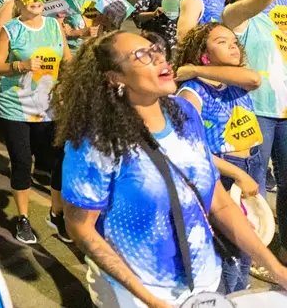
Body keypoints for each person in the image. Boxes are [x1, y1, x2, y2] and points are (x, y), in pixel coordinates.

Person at [59, 32, 287, 307]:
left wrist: (276, 269)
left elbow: (220, 203)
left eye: (156, 49)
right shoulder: (96, 142)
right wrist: (149, 300)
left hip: (206, 283)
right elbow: (81, 229)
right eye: (142, 55)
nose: (159, 58)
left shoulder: (185, 114)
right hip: (135, 295)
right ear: (115, 78)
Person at [173, 23, 263, 292]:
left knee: (249, 240)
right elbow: (189, 148)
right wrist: (238, 174)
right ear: (204, 54)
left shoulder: (235, 80)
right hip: (225, 172)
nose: (233, 46)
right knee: (229, 249)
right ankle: (226, 296)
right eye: (222, 42)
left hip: (251, 163)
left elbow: (255, 79)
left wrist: (196, 69)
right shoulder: (192, 91)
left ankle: (240, 293)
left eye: (234, 42)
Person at [0, 0, 73, 244]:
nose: (35, 0)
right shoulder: (11, 30)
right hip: (15, 106)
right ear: (19, 2)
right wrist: (19, 65)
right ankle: (23, 218)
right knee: (23, 161)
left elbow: (67, 60)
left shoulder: (54, 26)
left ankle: (56, 213)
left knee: (58, 159)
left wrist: (70, 82)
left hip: (49, 106)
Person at [219, 0, 287, 266]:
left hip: (285, 110)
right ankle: (250, 254)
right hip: (256, 110)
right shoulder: (235, 15)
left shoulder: (278, 15)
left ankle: (283, 249)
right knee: (252, 185)